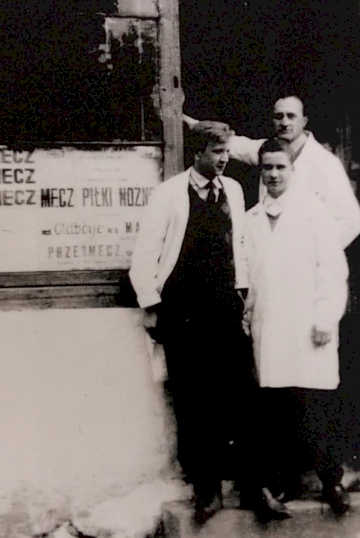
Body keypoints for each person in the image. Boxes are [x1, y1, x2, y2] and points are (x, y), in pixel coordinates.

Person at [129, 121, 255, 525]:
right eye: (217, 152)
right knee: (194, 400)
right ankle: (207, 489)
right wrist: (151, 304)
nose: (224, 159)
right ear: (197, 152)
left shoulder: (233, 190)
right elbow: (145, 254)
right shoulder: (168, 194)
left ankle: (252, 486)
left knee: (238, 395)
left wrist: (245, 294)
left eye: (226, 151)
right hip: (184, 311)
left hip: (225, 308)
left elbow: (240, 246)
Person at [244, 138, 351, 519]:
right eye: (267, 168)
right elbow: (250, 276)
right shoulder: (252, 219)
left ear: (292, 170)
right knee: (276, 407)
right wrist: (248, 315)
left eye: (280, 167)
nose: (273, 174)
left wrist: (325, 318)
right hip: (270, 326)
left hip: (308, 325)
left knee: (315, 404)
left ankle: (331, 482)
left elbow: (332, 269)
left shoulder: (314, 212)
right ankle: (284, 482)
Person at [184, 94, 360, 250]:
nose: (284, 123)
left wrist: (313, 252)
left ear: (304, 121)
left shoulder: (325, 163)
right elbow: (235, 144)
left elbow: (351, 221)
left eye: (291, 116)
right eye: (279, 117)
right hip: (267, 251)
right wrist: (192, 124)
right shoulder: (267, 149)